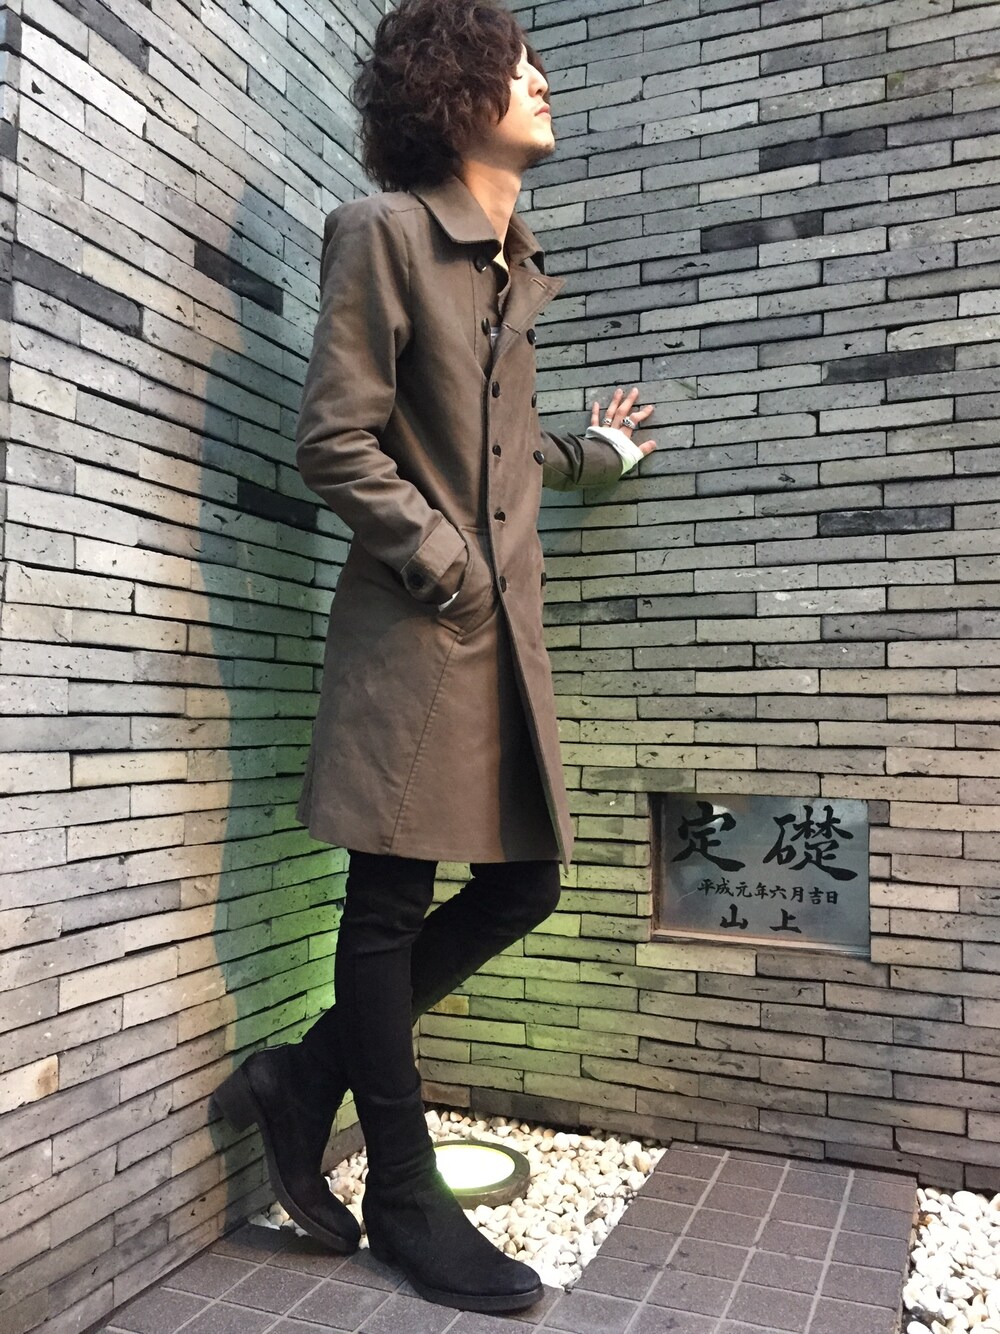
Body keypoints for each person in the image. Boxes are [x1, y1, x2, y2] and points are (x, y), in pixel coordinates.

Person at [214, 0, 656, 1314]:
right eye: (517, 66)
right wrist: (451, 565)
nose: (542, 80)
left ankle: (304, 1076)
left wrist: (595, 454)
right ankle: (405, 1193)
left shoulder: (508, 266)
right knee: (389, 902)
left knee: (523, 886)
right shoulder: (388, 232)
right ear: (455, 93)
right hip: (422, 630)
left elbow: (494, 452)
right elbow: (336, 438)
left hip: (495, 644)